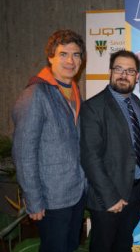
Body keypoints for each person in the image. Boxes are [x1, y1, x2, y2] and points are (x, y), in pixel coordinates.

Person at [12, 29, 87, 252]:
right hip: (51, 198)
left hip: (75, 194)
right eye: (63, 54)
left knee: (70, 247)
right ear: (50, 57)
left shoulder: (73, 91)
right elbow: (24, 152)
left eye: (76, 55)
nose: (70, 61)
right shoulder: (35, 94)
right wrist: (33, 200)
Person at [80, 50, 140, 252]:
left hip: (135, 193)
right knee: (103, 246)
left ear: (136, 76)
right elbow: (90, 157)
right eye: (118, 69)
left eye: (130, 71)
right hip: (109, 198)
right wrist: (110, 198)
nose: (123, 75)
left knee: (124, 244)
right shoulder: (94, 107)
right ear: (110, 71)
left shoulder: (135, 102)